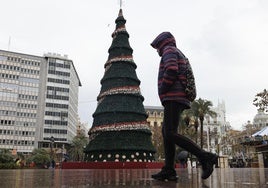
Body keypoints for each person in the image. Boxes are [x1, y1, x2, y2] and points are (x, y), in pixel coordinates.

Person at [150, 31, 218, 181]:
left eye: (156, 47)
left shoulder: (168, 50)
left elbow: (172, 69)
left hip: (174, 96)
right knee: (167, 134)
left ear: (162, 42)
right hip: (176, 97)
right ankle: (168, 170)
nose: (156, 50)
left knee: (170, 133)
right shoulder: (175, 51)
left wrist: (163, 88)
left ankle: (205, 156)